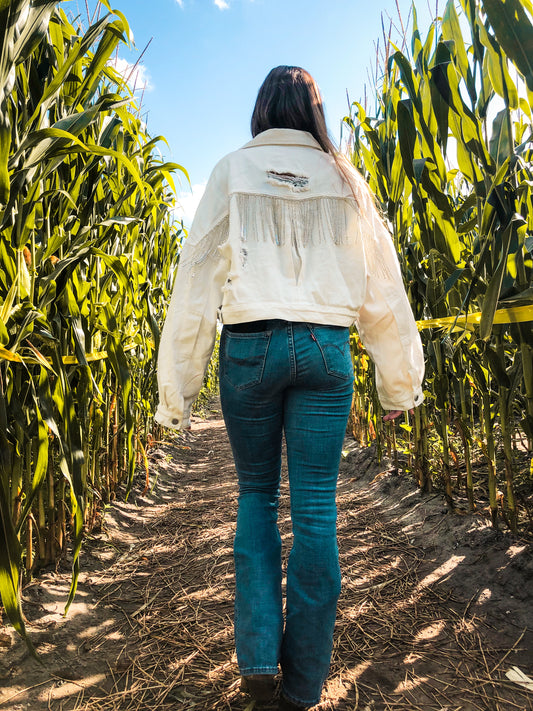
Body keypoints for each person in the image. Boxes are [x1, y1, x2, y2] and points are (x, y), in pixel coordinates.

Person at [155, 66, 424, 710]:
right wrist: (398, 385)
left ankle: (256, 661)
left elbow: (194, 285)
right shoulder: (345, 178)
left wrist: (176, 396)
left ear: (261, 110)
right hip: (326, 351)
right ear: (313, 113)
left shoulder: (230, 171)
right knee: (315, 512)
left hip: (248, 348)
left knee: (254, 496)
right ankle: (304, 684)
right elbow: (383, 288)